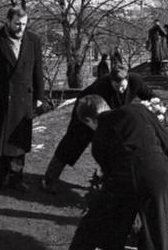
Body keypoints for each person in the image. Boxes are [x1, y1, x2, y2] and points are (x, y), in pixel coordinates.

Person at [56, 95, 168, 250]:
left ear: (89, 120)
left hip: (127, 181)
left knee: (90, 226)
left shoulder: (98, 141)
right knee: (151, 230)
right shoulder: (137, 110)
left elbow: (110, 175)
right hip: (161, 177)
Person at [41, 64, 155, 193]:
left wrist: (157, 108)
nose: (121, 90)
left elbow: (150, 96)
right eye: (116, 86)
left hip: (110, 117)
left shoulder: (136, 81)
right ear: (110, 82)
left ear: (127, 79)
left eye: (123, 86)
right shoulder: (100, 88)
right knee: (70, 146)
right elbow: (101, 113)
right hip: (86, 113)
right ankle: (49, 179)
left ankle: (104, 182)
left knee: (112, 151)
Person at [0, 6, 45, 192]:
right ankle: (0, 175)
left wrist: (39, 95)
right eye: (17, 24)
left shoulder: (33, 41)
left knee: (19, 141)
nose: (21, 28)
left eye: (24, 24)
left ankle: (16, 177)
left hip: (23, 99)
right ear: (8, 21)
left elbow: (38, 69)